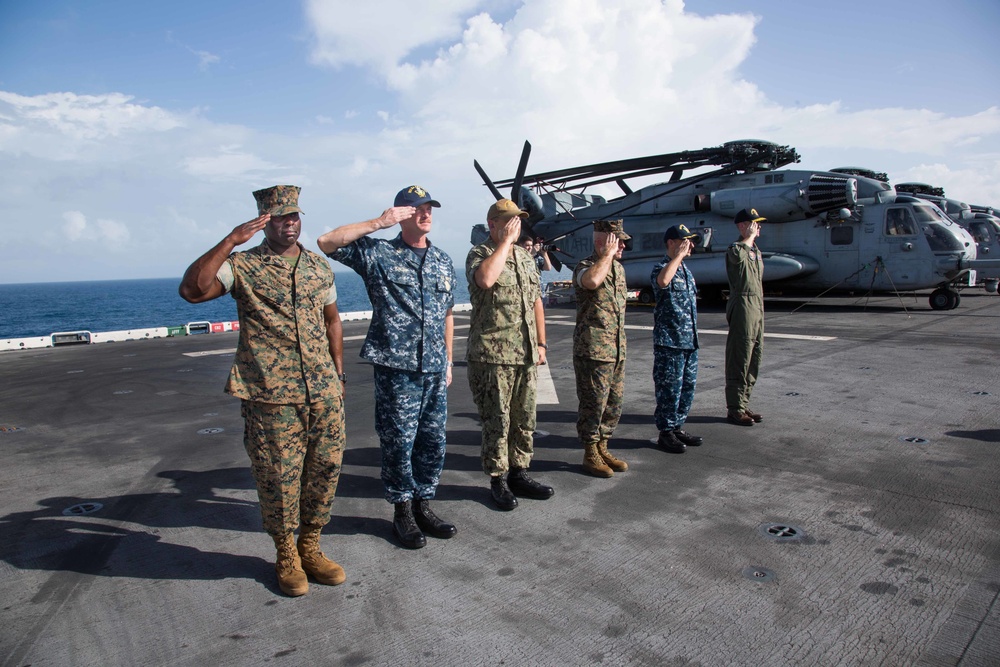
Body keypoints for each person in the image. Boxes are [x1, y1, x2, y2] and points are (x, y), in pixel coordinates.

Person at [178, 185, 346, 597]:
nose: (289, 223)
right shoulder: (243, 266)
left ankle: (311, 545)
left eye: (293, 216)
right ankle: (286, 553)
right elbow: (193, 291)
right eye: (278, 218)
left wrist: (338, 374)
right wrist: (231, 240)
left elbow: (332, 321)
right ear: (263, 222)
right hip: (271, 394)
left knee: (325, 470)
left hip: (323, 391)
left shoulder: (318, 267)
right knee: (278, 478)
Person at [317, 185, 457, 550]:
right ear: (402, 214)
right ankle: (402, 511)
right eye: (417, 209)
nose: (426, 214)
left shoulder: (442, 260)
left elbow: (447, 314)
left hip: (433, 368)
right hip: (397, 367)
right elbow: (327, 241)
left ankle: (424, 503)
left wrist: (448, 361)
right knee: (399, 442)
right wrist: (378, 222)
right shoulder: (378, 253)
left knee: (433, 441)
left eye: (429, 208)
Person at [467, 198, 554, 511]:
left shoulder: (526, 258)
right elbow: (486, 280)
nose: (516, 225)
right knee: (497, 422)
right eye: (509, 220)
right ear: (493, 224)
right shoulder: (481, 253)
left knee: (524, 419)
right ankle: (497, 479)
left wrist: (542, 344)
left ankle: (520, 472)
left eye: (518, 219)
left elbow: (536, 303)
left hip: (526, 355)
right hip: (493, 357)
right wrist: (504, 243)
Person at [573, 219, 630, 477]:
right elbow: (592, 281)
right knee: (593, 404)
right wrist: (606, 255)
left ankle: (603, 445)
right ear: (601, 242)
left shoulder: (618, 269)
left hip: (616, 349)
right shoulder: (585, 266)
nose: (623, 246)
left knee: (613, 404)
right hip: (593, 350)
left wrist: (611, 257)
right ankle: (590, 452)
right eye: (618, 241)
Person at [651, 224, 703, 453]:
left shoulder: (685, 271)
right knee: (669, 389)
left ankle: (677, 427)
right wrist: (679, 256)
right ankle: (666, 432)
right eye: (683, 241)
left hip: (689, 341)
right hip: (669, 341)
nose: (688, 245)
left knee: (687, 388)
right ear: (671, 242)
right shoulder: (662, 267)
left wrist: (682, 258)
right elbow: (662, 282)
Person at [725, 208, 766, 426]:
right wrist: (748, 237)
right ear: (743, 226)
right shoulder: (736, 249)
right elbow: (738, 262)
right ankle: (734, 408)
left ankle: (743, 402)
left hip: (757, 306)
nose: (758, 227)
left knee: (754, 357)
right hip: (743, 305)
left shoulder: (755, 251)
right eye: (754, 224)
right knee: (740, 357)